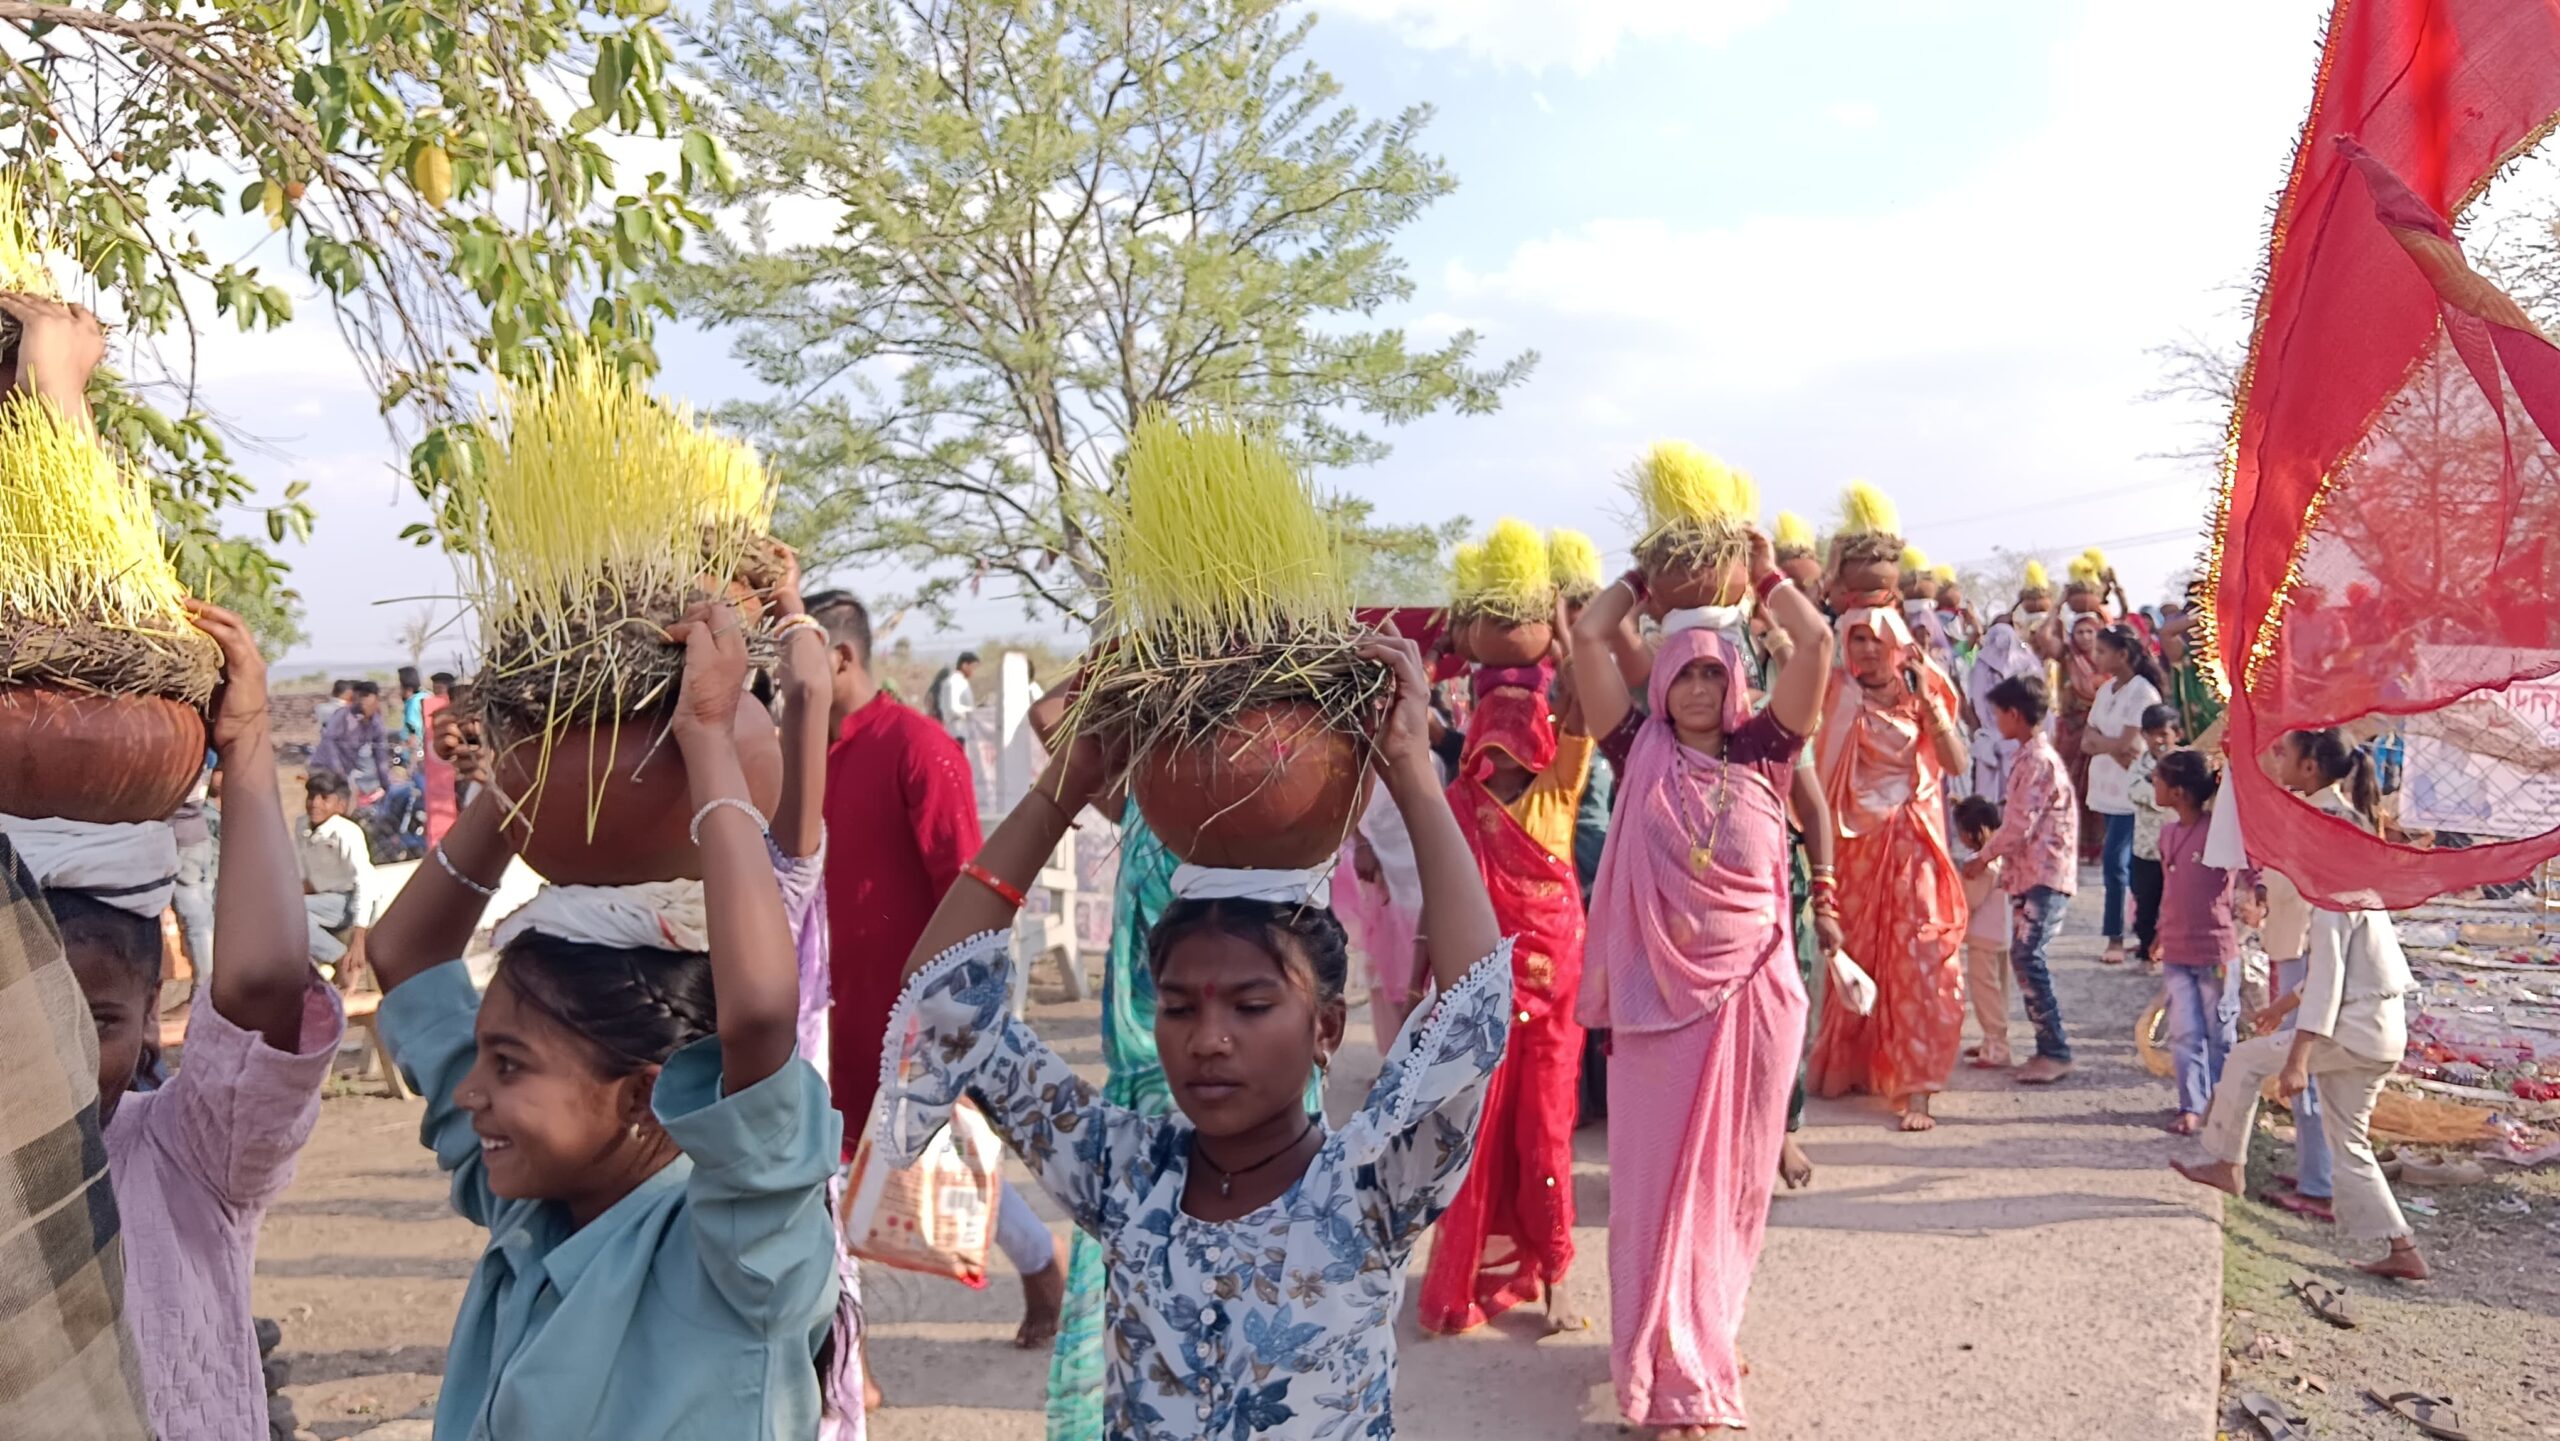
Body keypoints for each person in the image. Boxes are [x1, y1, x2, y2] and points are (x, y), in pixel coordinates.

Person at [876, 636, 1510, 1438]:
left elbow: (1473, 1013)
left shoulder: (1371, 1185)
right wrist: (1063, 787)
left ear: (1326, 1027)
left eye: (1251, 1006)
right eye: (1178, 1007)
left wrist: (1413, 772)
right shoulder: (1123, 1171)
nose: (1209, 1039)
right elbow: (943, 993)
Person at [369, 602, 842, 1438]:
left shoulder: (741, 1256)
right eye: (484, 1056)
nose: (469, 1092)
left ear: (641, 1096)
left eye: (508, 1064)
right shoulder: (535, 1207)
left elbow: (762, 1017)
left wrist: (706, 738)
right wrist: (522, 775)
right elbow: (404, 957)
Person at [6, 603, 343, 1441]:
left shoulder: (191, 1155)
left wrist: (250, 741)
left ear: (154, 1016)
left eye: (97, 1020)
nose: (58, 1059)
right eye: (17, 1022)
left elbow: (263, 982)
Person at [1571, 532, 1833, 1435]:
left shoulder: (1767, 750)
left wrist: (1763, 574)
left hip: (1755, 1001)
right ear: (1660, 682)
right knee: (1652, 1193)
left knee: (1732, 1189)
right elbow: (1588, 634)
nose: (1696, 689)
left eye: (1712, 674)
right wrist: (1648, 577)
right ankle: (1664, 1363)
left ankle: (1704, 1337)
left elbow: (1817, 643)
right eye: (1682, 673)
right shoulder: (1633, 746)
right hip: (1656, 1012)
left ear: (1736, 680)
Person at [802, 591, 1063, 1346]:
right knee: (831, 1165)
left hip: (909, 1002)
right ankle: (845, 1352)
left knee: (941, 1149)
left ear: (840, 659)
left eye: (797, 661)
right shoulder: (805, 758)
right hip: (831, 999)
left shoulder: (918, 746)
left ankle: (1038, 1260)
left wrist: (951, 1005)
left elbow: (968, 881)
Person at [1420, 651, 1593, 1336]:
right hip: (1481, 995)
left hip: (1557, 997)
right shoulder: (1459, 807)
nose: (1506, 749)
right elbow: (1440, 901)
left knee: (1545, 1136)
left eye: (1518, 734)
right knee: (1477, 1133)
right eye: (1494, 735)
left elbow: (1581, 704)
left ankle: (1556, 1274)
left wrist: (1567, 641)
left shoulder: (1560, 790)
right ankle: (1466, 1272)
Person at [2173, 854, 2425, 1281]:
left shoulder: (2333, 905)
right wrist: (2281, 1007)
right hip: (2382, 1034)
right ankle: (2404, 1249)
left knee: (2245, 1059)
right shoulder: (2364, 898)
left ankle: (2227, 1165)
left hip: (2351, 1032)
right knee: (2349, 1143)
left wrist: (2297, 1061)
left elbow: (2327, 986)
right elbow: (2336, 975)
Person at [1805, 607, 1969, 1131]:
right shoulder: (1837, 693)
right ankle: (1853, 1067)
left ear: (1897, 644)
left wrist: (1928, 704)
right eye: (1858, 640)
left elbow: (1956, 763)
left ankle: (1917, 1087)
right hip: (1856, 846)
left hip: (1914, 841)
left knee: (1919, 958)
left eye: (1877, 640)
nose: (1868, 650)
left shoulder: (1923, 691)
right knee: (1858, 955)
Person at [2250, 728, 2386, 1223]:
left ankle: (2319, 1185)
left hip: (2310, 949)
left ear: (2309, 766)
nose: (2277, 759)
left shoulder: (2321, 820)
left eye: (2284, 753)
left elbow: (2299, 888)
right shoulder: (2324, 813)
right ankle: (2315, 1170)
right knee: (2307, 1067)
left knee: (2303, 1064)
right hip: (2301, 945)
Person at [1963, 675, 2078, 1085]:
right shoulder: (2030, 757)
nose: (1995, 720)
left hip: (2044, 873)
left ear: (2014, 714)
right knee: (2024, 957)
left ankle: (2055, 1051)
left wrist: (1982, 858)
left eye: (1998, 713)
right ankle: (2042, 1046)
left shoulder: (2036, 761)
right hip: (2032, 873)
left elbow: (2017, 826)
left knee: (2029, 957)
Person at [2151, 750, 2240, 1134]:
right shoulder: (2168, 834)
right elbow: (2171, 888)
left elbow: (2250, 865)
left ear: (2179, 792)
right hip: (2176, 949)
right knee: (2184, 1032)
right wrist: (2160, 932)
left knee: (2220, 1034)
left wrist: (2259, 894)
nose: (2153, 784)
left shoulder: (2219, 833)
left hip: (2214, 951)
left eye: (2159, 779)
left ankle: (2225, 1107)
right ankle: (2192, 1105)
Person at [2084, 625, 2164, 966]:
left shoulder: (2142, 693)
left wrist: (2106, 744)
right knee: (2128, 864)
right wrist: (2111, 746)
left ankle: (2116, 935)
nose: (2096, 656)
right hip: (2105, 788)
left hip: (2132, 793)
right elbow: (2088, 739)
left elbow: (2131, 744)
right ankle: (2145, 931)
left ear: (2123, 655)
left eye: (2102, 651)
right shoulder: (2106, 690)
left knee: (2116, 862)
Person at [1951, 796, 2011, 1067]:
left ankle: (1996, 1045)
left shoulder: (1980, 865)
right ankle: (1995, 1040)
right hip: (2002, 933)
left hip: (1984, 937)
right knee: (1999, 990)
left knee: (1985, 992)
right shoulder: (2002, 858)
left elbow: (1970, 901)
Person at [298, 768, 371, 977]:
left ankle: (341, 960)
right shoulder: (302, 825)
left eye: (324, 798)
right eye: (311, 796)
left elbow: (365, 883)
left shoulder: (346, 832)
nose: (315, 804)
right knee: (283, 913)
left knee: (293, 913)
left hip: (349, 902)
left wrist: (359, 936)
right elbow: (305, 875)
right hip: (323, 901)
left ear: (340, 805)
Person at [2125, 705, 2181, 970]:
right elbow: (2139, 793)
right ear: (2143, 736)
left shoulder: (2186, 764)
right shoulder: (2139, 767)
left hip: (2180, 851)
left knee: (2178, 903)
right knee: (2146, 902)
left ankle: (2175, 952)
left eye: (2164, 734)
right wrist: (2170, 793)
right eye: (2152, 734)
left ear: (2177, 734)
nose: (2158, 740)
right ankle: (2147, 951)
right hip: (2147, 850)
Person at [169, 754, 218, 988]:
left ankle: (203, 989)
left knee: (194, 919)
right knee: (205, 916)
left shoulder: (176, 757)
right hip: (198, 836)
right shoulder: (203, 752)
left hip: (181, 840)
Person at [311, 679, 394, 795]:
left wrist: (386, 784)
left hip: (344, 771)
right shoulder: (343, 715)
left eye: (367, 699)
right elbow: (329, 742)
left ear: (376, 701)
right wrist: (338, 771)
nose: (363, 703)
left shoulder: (376, 723)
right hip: (323, 767)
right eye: (361, 698)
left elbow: (380, 755)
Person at [936, 650, 981, 745]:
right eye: (972, 667)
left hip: (964, 731)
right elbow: (953, 708)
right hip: (957, 732)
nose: (973, 671)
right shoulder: (954, 682)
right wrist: (973, 712)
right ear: (964, 665)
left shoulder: (961, 681)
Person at [398, 665, 426, 742]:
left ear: (408, 689)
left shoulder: (412, 703)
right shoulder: (426, 695)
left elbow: (412, 729)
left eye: (400, 687)